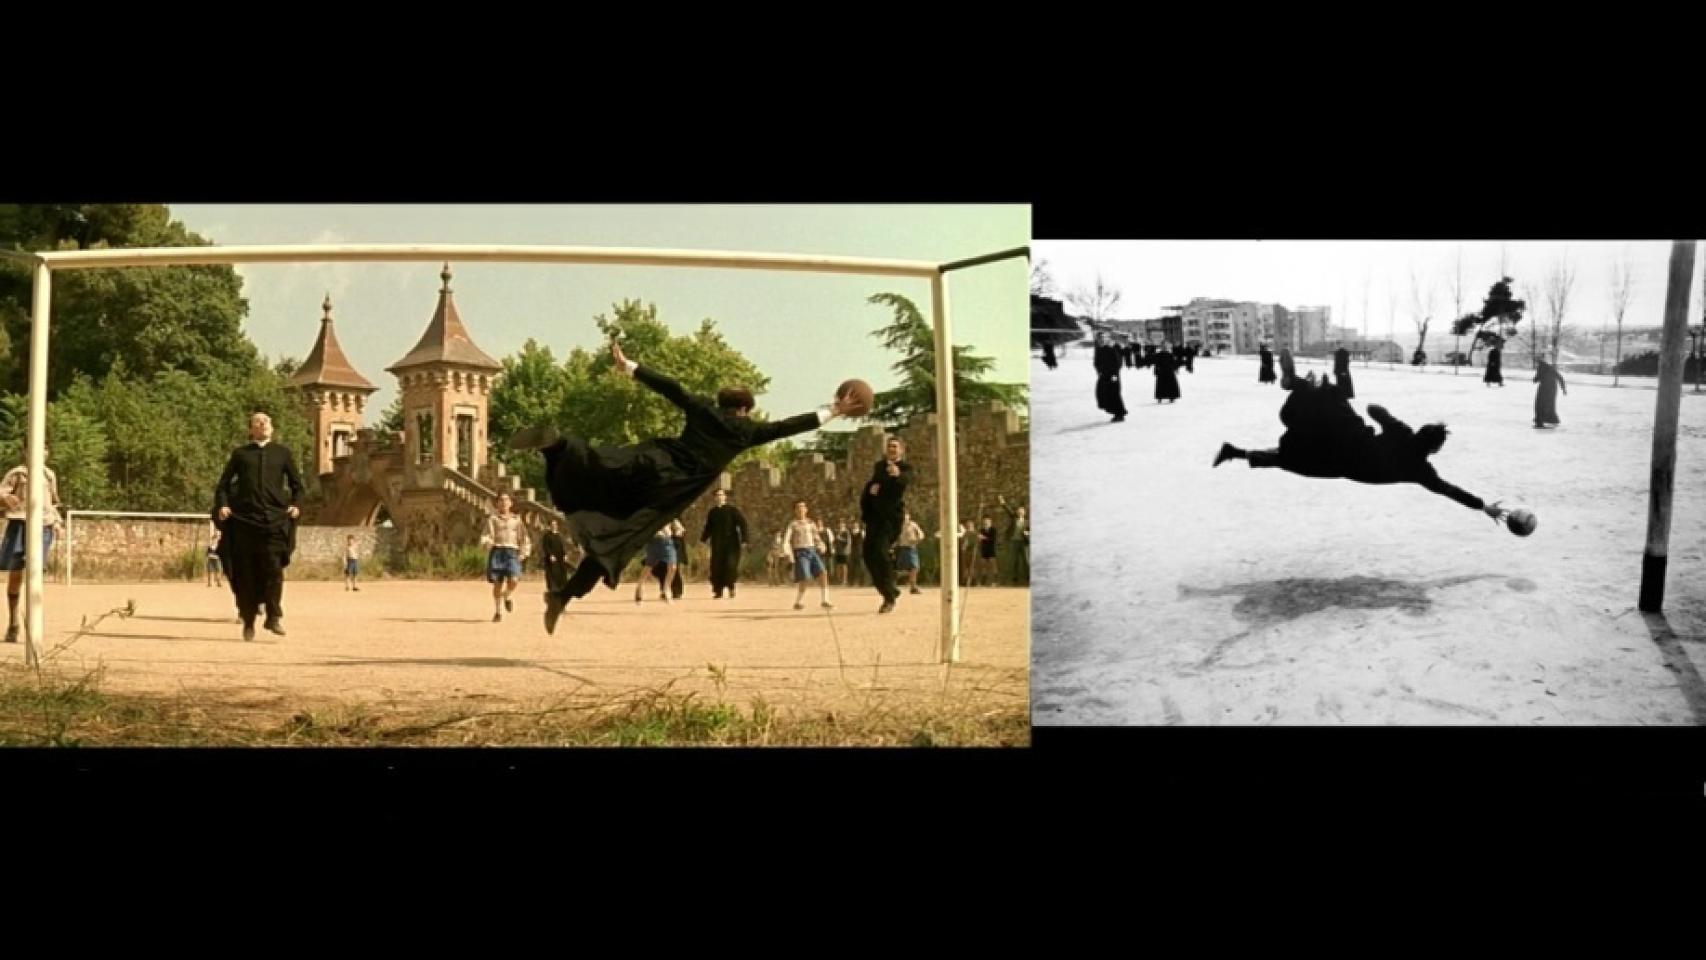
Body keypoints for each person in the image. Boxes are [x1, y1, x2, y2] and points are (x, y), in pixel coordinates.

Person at [514, 338, 847, 634]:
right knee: (619, 541)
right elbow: (792, 425)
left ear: (723, 403)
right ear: (744, 409)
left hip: (654, 459)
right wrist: (834, 409)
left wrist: (630, 366)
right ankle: (565, 595)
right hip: (666, 490)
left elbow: (670, 387)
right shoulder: (747, 432)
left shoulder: (703, 408)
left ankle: (557, 445)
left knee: (602, 464)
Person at [1213, 353, 1509, 521]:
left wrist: (1389, 420)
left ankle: (1298, 389)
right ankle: (1300, 389)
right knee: (1292, 456)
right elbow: (1449, 490)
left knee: (1331, 406)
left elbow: (1373, 408)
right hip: (1343, 463)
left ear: (1420, 432)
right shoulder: (1422, 470)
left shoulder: (1403, 433)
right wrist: (1483, 506)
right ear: (1434, 451)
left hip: (1347, 437)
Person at [212, 412, 304, 641]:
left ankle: (273, 616)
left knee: (274, 570)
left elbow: (298, 486)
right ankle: (249, 620)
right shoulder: (241, 454)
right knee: (246, 574)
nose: (262, 424)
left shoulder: (282, 453)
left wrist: (296, 505)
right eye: (257, 422)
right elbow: (222, 485)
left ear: (271, 428)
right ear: (251, 429)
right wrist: (223, 506)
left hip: (273, 521)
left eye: (266, 421)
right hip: (245, 523)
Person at [0, 445, 63, 644]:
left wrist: (57, 522)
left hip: (43, 526)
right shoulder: (17, 473)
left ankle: (34, 625)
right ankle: (13, 622)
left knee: (35, 571)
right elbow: (2, 493)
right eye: (34, 449)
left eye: (44, 449)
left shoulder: (48, 475)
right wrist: (5, 498)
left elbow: (52, 502)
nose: (40, 453)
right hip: (19, 523)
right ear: (25, 451)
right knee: (16, 573)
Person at [859, 435, 913, 613]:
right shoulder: (879, 467)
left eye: (895, 447)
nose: (891, 449)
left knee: (881, 553)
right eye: (889, 446)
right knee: (868, 555)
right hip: (875, 518)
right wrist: (870, 492)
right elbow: (871, 487)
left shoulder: (905, 468)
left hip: (890, 519)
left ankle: (889, 597)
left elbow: (904, 481)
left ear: (901, 450)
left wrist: (897, 475)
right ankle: (889, 590)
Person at [482, 493, 532, 622]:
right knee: (498, 583)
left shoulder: (516, 520)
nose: (504, 503)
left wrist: (524, 552)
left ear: (511, 503)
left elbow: (524, 537)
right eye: (501, 500)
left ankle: (507, 595)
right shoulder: (493, 519)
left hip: (512, 551)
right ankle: (498, 612)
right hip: (498, 551)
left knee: (514, 579)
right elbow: (487, 535)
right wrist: (487, 542)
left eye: (506, 500)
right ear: (497, 503)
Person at [784, 500, 833, 610]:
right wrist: (788, 553)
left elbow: (816, 537)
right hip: (800, 552)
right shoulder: (793, 524)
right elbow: (786, 540)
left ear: (806, 510)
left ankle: (825, 600)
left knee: (823, 573)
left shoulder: (811, 523)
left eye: (803, 507)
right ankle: (798, 601)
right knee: (805, 577)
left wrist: (821, 545)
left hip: (812, 551)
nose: (801, 510)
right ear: (795, 511)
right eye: (798, 508)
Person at [699, 488, 748, 599]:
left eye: (721, 495)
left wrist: (744, 539)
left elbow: (742, 524)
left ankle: (731, 587)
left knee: (730, 566)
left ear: (725, 497)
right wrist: (703, 540)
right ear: (714, 498)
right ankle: (718, 590)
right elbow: (708, 527)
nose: (719, 497)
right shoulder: (712, 512)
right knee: (716, 567)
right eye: (717, 495)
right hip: (717, 544)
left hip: (731, 544)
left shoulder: (732, 510)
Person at [1093, 332, 1128, 423]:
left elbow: (1118, 362)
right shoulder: (1098, 348)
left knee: (1114, 394)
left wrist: (1114, 375)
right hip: (1103, 375)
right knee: (1102, 393)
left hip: (1113, 375)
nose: (1101, 340)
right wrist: (1098, 372)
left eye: (1103, 338)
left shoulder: (1112, 348)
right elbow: (1096, 362)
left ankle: (1119, 414)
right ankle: (1114, 412)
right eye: (1099, 338)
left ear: (1107, 339)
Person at [636, 526, 677, 604]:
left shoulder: (668, 515)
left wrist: (679, 529)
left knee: (672, 567)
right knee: (649, 567)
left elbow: (675, 523)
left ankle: (666, 589)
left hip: (668, 542)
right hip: (654, 542)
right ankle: (639, 587)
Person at [540, 517, 573, 599]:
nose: (554, 526)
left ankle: (562, 596)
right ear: (549, 525)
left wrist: (565, 555)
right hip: (551, 560)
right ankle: (552, 595)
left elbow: (562, 547)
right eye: (552, 524)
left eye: (555, 524)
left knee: (562, 577)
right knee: (552, 577)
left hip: (560, 559)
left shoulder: (559, 535)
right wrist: (550, 555)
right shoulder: (547, 536)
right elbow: (546, 546)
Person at [894, 512, 926, 595]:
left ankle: (913, 587)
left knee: (914, 568)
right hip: (902, 548)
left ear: (909, 517)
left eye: (906, 517)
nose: (905, 519)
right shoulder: (899, 526)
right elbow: (895, 536)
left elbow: (921, 534)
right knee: (908, 569)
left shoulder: (913, 525)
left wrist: (917, 539)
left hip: (911, 548)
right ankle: (892, 579)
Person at [1000, 495, 1029, 585]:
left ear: (1024, 512)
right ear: (1017, 512)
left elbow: (1031, 530)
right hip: (1014, 542)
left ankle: (1028, 577)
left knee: (1026, 560)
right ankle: (1015, 578)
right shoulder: (1014, 518)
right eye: (1019, 510)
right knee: (1015, 560)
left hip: (1024, 543)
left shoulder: (1027, 521)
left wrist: (1028, 533)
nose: (1020, 512)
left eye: (1022, 510)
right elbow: (1008, 510)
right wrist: (1003, 502)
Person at [1533, 358, 1568, 429]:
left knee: (1541, 404)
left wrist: (1563, 388)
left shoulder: (1543, 368)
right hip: (1550, 389)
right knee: (1548, 404)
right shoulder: (1548, 369)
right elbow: (1560, 377)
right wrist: (1563, 388)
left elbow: (1536, 379)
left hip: (1546, 389)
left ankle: (1542, 419)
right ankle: (1550, 418)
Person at [833, 518, 852, 587]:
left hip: (844, 552)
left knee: (844, 566)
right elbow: (834, 541)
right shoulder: (836, 531)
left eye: (841, 523)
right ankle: (839, 580)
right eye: (839, 523)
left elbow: (848, 542)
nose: (840, 525)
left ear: (844, 524)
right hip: (838, 551)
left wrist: (840, 538)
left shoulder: (846, 532)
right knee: (838, 566)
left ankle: (844, 581)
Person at [206, 522, 224, 588]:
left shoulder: (220, 543)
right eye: (216, 534)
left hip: (217, 558)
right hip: (210, 558)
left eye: (218, 535)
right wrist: (207, 556)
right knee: (210, 570)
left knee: (218, 570)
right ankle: (210, 583)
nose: (217, 535)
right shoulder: (211, 542)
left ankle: (219, 582)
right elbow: (208, 551)